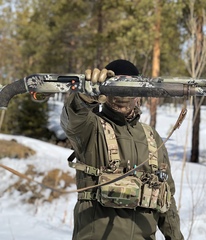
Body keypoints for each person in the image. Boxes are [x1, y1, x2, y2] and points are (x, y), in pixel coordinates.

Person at [60, 59, 184, 240]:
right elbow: (72, 119)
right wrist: (84, 97)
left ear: (139, 94)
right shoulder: (91, 129)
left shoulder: (152, 137)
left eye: (129, 90)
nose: (122, 98)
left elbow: (166, 198)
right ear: (105, 92)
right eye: (116, 90)